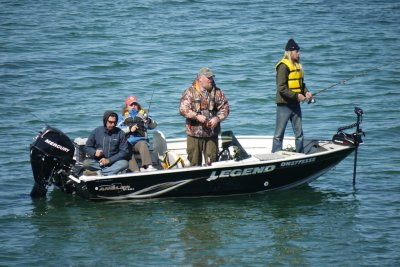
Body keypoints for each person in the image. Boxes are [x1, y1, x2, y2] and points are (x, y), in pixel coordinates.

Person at [179, 67, 230, 166]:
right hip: (194, 134)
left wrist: (217, 118)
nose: (211, 80)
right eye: (208, 78)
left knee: (213, 162)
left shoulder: (217, 92)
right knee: (194, 163)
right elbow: (182, 109)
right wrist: (196, 116)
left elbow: (225, 108)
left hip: (211, 134)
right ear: (200, 79)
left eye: (211, 78)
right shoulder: (190, 92)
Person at [271, 39, 313, 153]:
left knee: (299, 134)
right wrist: (297, 96)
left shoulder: (298, 66)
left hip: (295, 105)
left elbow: (301, 84)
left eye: (299, 51)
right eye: (297, 51)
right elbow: (281, 88)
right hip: (284, 105)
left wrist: (306, 92)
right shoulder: (283, 66)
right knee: (279, 134)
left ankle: (300, 154)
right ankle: (275, 155)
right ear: (290, 52)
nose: (299, 53)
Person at [83, 111, 129, 176]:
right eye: (110, 122)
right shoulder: (96, 131)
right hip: (98, 162)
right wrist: (94, 152)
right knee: (86, 163)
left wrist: (109, 160)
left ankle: (98, 173)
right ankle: (110, 171)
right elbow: (87, 147)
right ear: (105, 121)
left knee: (125, 163)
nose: (113, 124)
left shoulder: (120, 133)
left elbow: (124, 151)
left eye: (115, 122)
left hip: (114, 162)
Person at [118, 95, 157, 172]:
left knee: (142, 143)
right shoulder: (121, 117)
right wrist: (129, 129)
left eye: (135, 104)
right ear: (126, 106)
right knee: (126, 148)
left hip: (139, 142)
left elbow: (154, 125)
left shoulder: (143, 115)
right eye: (131, 105)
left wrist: (148, 121)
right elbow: (118, 130)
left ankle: (148, 166)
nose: (133, 106)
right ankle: (135, 170)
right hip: (127, 142)